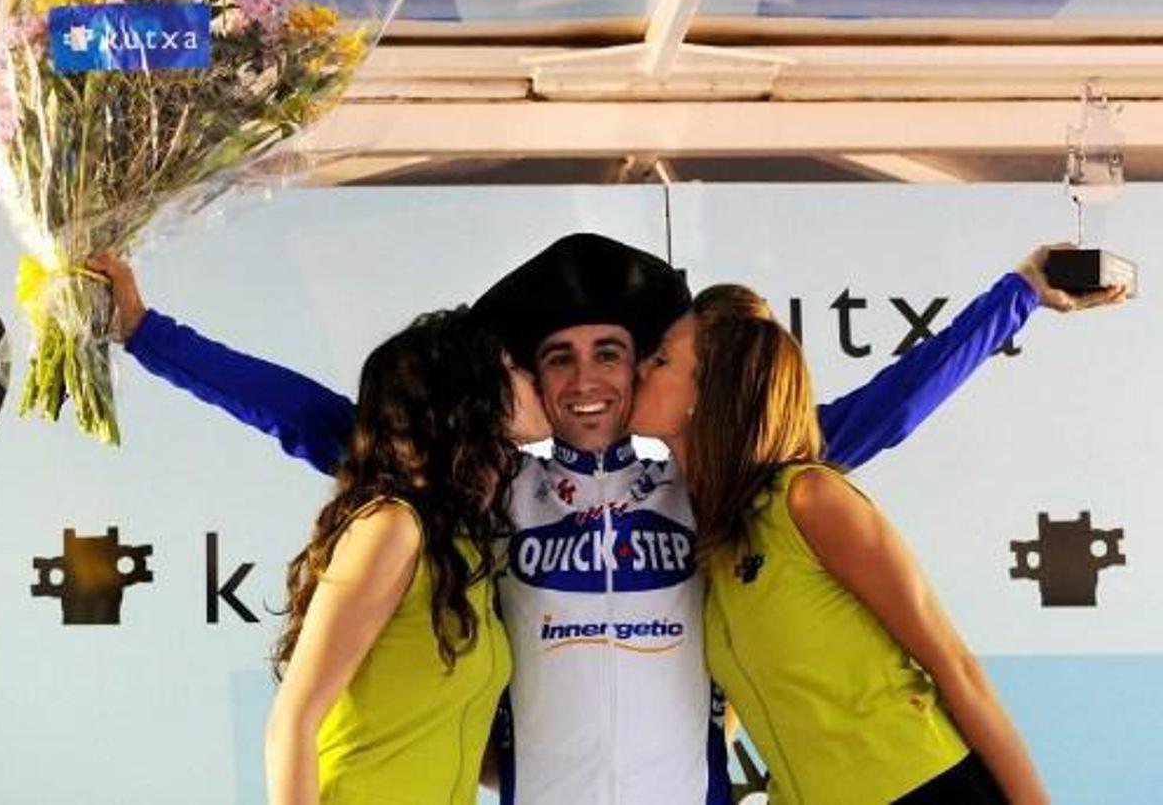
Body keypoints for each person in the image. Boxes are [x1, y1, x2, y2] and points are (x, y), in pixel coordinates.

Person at [89, 235, 1114, 805]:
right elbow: (316, 420)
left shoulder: (715, 495)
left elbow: (879, 413)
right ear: (527, 380)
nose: (586, 379)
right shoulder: (490, 496)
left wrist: (1017, 297)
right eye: (560, 357)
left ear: (649, 371)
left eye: (613, 353)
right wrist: (145, 333)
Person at [629, 284, 1051, 804]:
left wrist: (1021, 292)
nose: (638, 370)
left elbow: (955, 667)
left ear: (705, 396)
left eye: (660, 360)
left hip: (926, 787)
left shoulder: (807, 498)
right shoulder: (703, 530)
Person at [262, 307, 549, 804]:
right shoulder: (393, 527)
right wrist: (146, 333)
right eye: (510, 367)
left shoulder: (466, 544)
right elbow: (292, 722)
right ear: (470, 398)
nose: (530, 375)